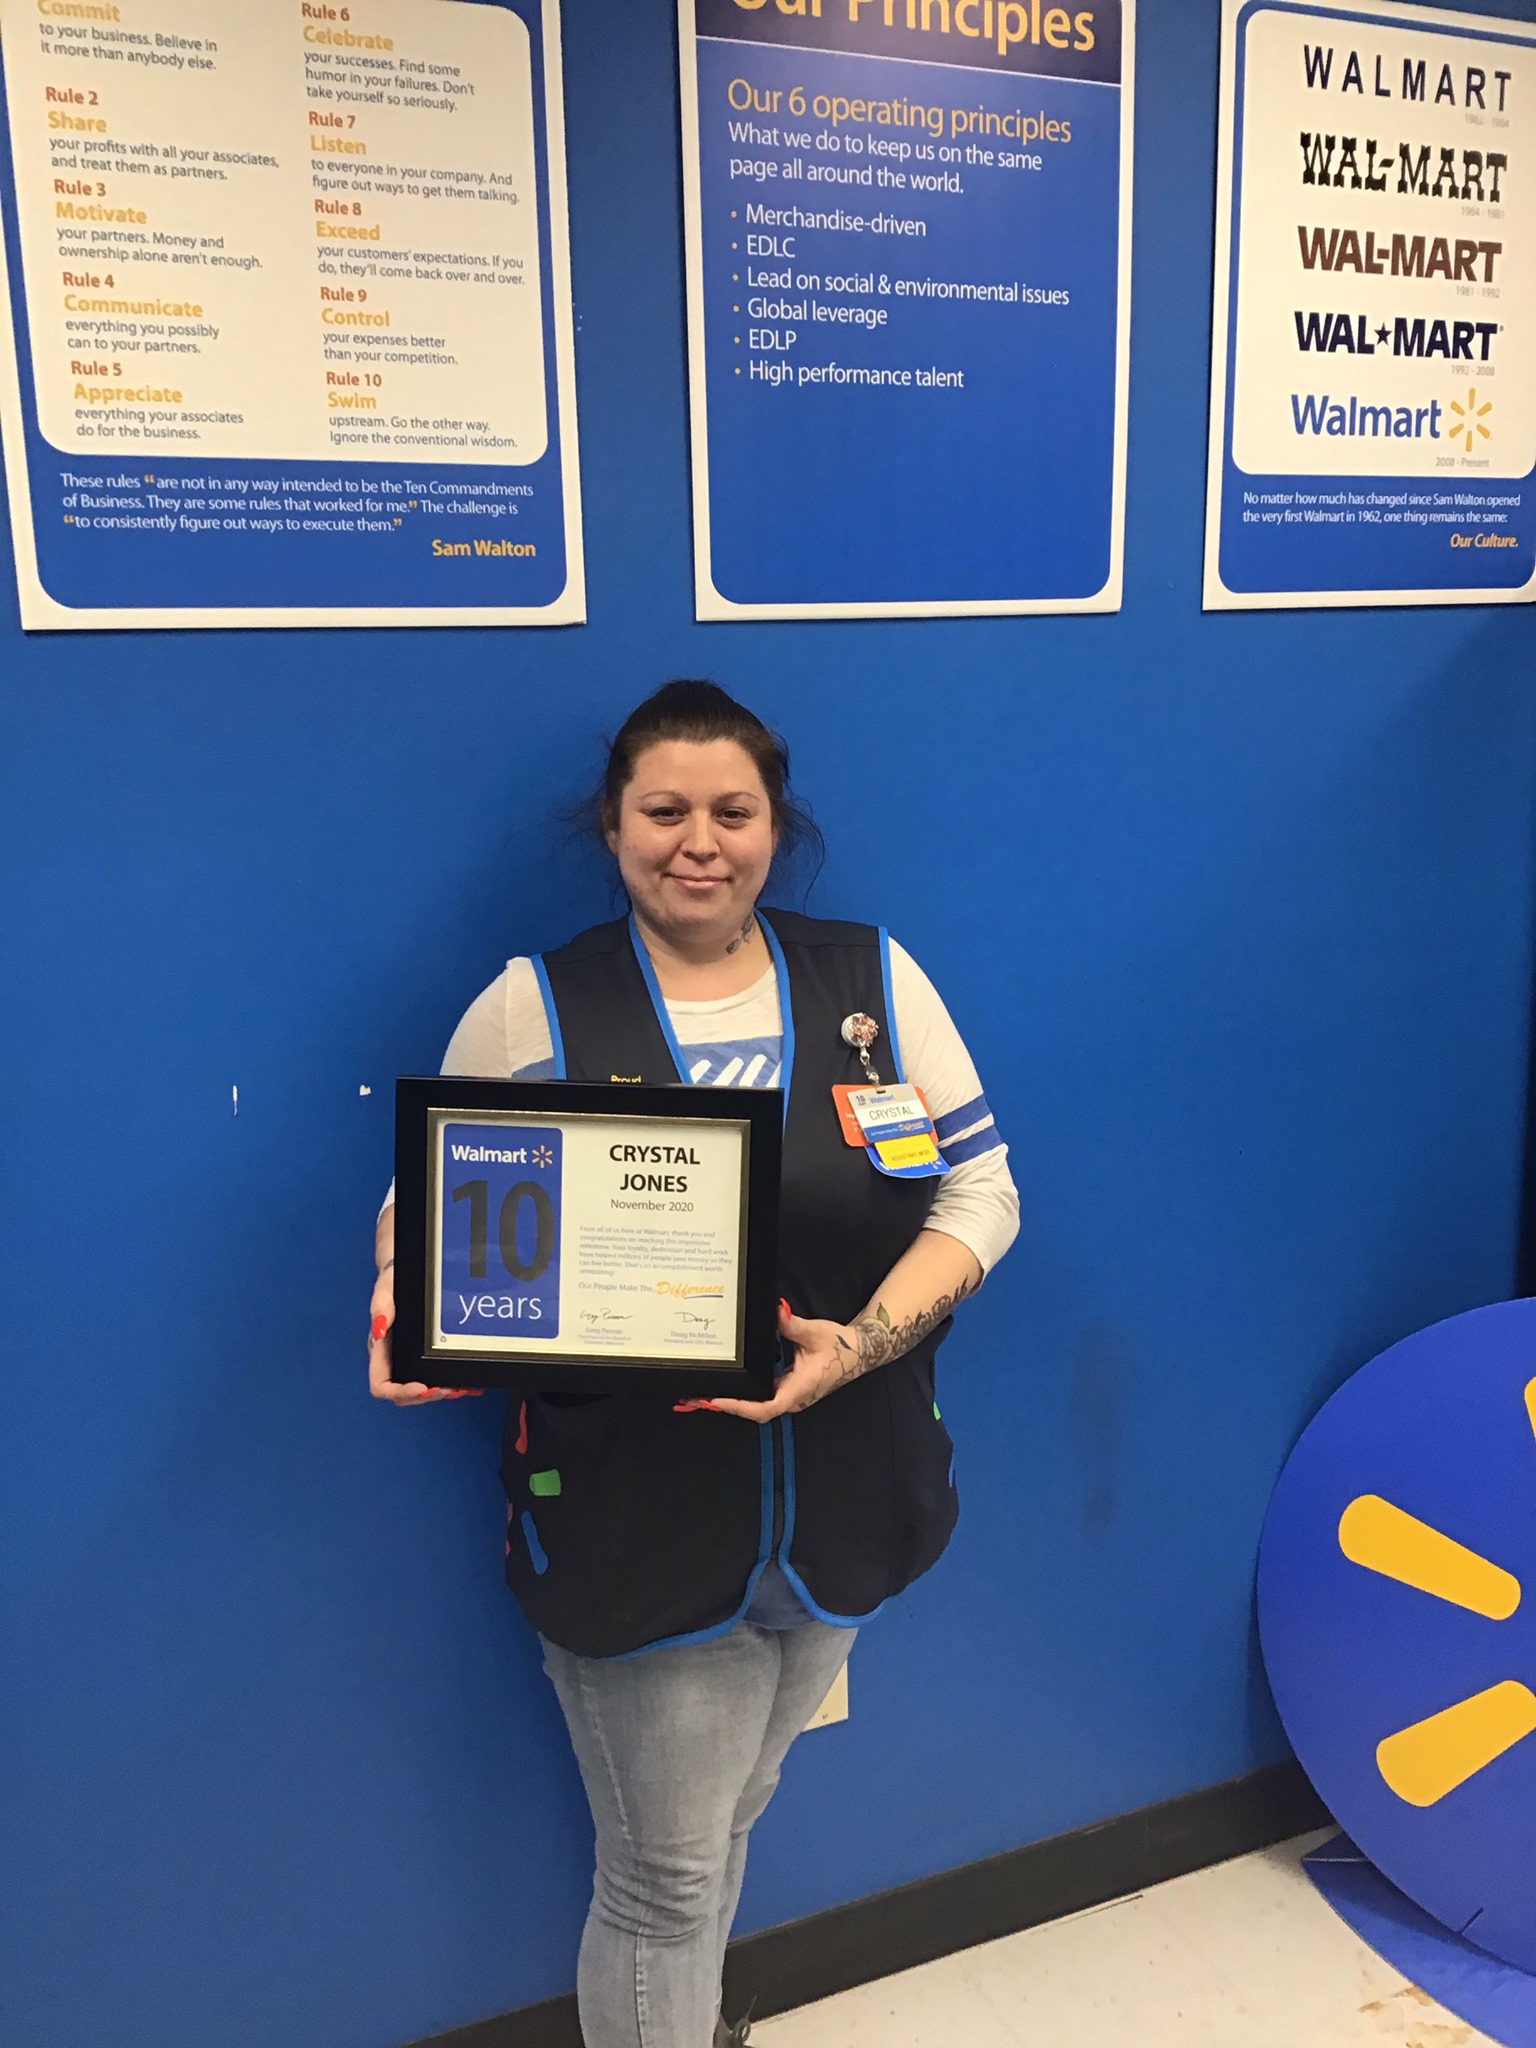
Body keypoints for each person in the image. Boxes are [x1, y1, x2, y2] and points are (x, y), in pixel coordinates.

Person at [368, 681, 1018, 2048]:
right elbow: (432, 1210)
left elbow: (982, 1193)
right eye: (664, 812)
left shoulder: (872, 984)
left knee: (731, 1817)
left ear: (778, 825)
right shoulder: (535, 1007)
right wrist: (403, 1302)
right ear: (613, 827)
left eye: (734, 811)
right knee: (661, 1881)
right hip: (636, 1520)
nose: (700, 843)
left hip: (844, 1506)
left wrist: (862, 1344)